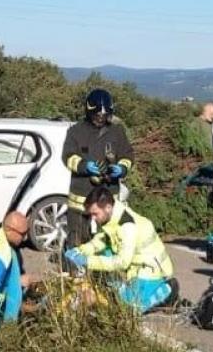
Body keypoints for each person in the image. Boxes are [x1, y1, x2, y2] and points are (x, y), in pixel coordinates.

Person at [64, 186, 175, 313]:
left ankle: (168, 290)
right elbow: (102, 241)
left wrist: (88, 261)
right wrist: (81, 250)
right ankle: (120, 287)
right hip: (135, 267)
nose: (93, 218)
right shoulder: (111, 217)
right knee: (105, 259)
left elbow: (122, 262)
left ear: (108, 208)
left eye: (95, 214)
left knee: (129, 310)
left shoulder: (127, 226)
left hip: (152, 270)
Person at [62, 89, 133, 250]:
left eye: (104, 116)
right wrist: (83, 166)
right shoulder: (75, 131)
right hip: (81, 200)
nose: (100, 119)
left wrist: (121, 168)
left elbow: (127, 155)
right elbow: (67, 156)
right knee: (77, 240)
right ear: (89, 112)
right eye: (97, 116)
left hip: (108, 197)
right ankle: (75, 272)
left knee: (108, 241)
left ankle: (103, 273)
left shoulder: (117, 132)